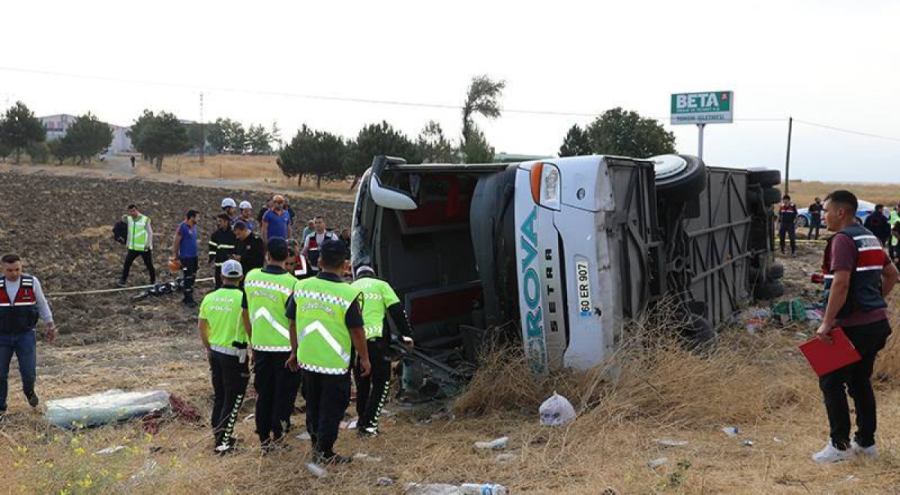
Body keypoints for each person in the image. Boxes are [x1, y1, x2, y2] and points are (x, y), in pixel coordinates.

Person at [812, 190, 899, 463]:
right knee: (860, 381)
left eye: (826, 210)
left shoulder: (842, 240)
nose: (823, 215)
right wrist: (873, 302)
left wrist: (826, 323)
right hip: (876, 324)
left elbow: (841, 283)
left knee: (830, 380)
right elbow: (892, 274)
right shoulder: (868, 237)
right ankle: (865, 443)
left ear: (840, 212)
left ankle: (839, 446)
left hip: (851, 327)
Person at [285, 241, 369, 464]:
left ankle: (317, 446)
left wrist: (294, 352)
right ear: (345, 265)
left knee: (312, 404)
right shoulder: (348, 293)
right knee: (332, 408)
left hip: (308, 361)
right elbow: (357, 331)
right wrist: (365, 358)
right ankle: (325, 451)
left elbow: (292, 323)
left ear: (319, 261)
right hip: (334, 364)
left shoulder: (301, 287)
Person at [242, 238, 298, 450]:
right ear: (287, 258)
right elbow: (294, 322)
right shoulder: (293, 284)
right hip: (285, 349)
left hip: (260, 346)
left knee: (264, 393)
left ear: (267, 255)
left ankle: (263, 437)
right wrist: (296, 350)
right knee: (283, 394)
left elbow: (245, 313)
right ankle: (279, 436)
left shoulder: (251, 277)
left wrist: (253, 343)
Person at [351, 265, 414, 437]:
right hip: (376, 343)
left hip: (355, 344)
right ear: (373, 275)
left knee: (362, 384)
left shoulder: (349, 288)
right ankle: (369, 425)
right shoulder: (381, 285)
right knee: (382, 383)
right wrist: (407, 335)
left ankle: (361, 420)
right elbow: (397, 311)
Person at [198, 260, 249, 454]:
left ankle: (218, 435)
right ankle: (223, 442)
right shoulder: (244, 299)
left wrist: (209, 348)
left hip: (216, 353)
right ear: (241, 277)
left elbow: (202, 328)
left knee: (220, 395)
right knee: (234, 398)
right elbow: (249, 326)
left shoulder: (210, 298)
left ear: (221, 276)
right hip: (237, 355)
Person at [0, 254, 54, 420]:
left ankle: (29, 391)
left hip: (26, 335)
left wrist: (50, 324)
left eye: (17, 269)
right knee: (0, 374)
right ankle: (1, 407)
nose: (14, 273)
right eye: (9, 270)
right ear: (2, 269)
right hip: (2, 337)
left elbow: (42, 303)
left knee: (28, 372)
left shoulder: (31, 282)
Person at [118, 204, 156, 288]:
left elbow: (150, 233)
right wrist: (127, 243)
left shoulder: (145, 219)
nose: (132, 213)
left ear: (137, 210)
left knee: (148, 264)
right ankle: (123, 280)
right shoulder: (130, 219)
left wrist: (148, 244)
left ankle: (153, 280)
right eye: (130, 211)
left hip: (144, 248)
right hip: (133, 248)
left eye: (134, 210)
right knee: (127, 263)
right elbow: (123, 219)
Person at [173, 210, 200, 307]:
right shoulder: (182, 226)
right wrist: (176, 257)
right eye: (197, 217)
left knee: (193, 276)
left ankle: (189, 296)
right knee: (188, 277)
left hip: (194, 256)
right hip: (185, 257)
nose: (198, 219)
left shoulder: (194, 227)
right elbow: (176, 242)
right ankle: (188, 299)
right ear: (192, 217)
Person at [209, 213, 237, 289]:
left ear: (226, 222)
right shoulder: (215, 235)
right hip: (219, 266)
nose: (218, 223)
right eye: (218, 221)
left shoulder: (233, 235)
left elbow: (237, 248)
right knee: (218, 285)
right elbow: (212, 249)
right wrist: (211, 259)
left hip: (231, 266)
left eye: (220, 221)